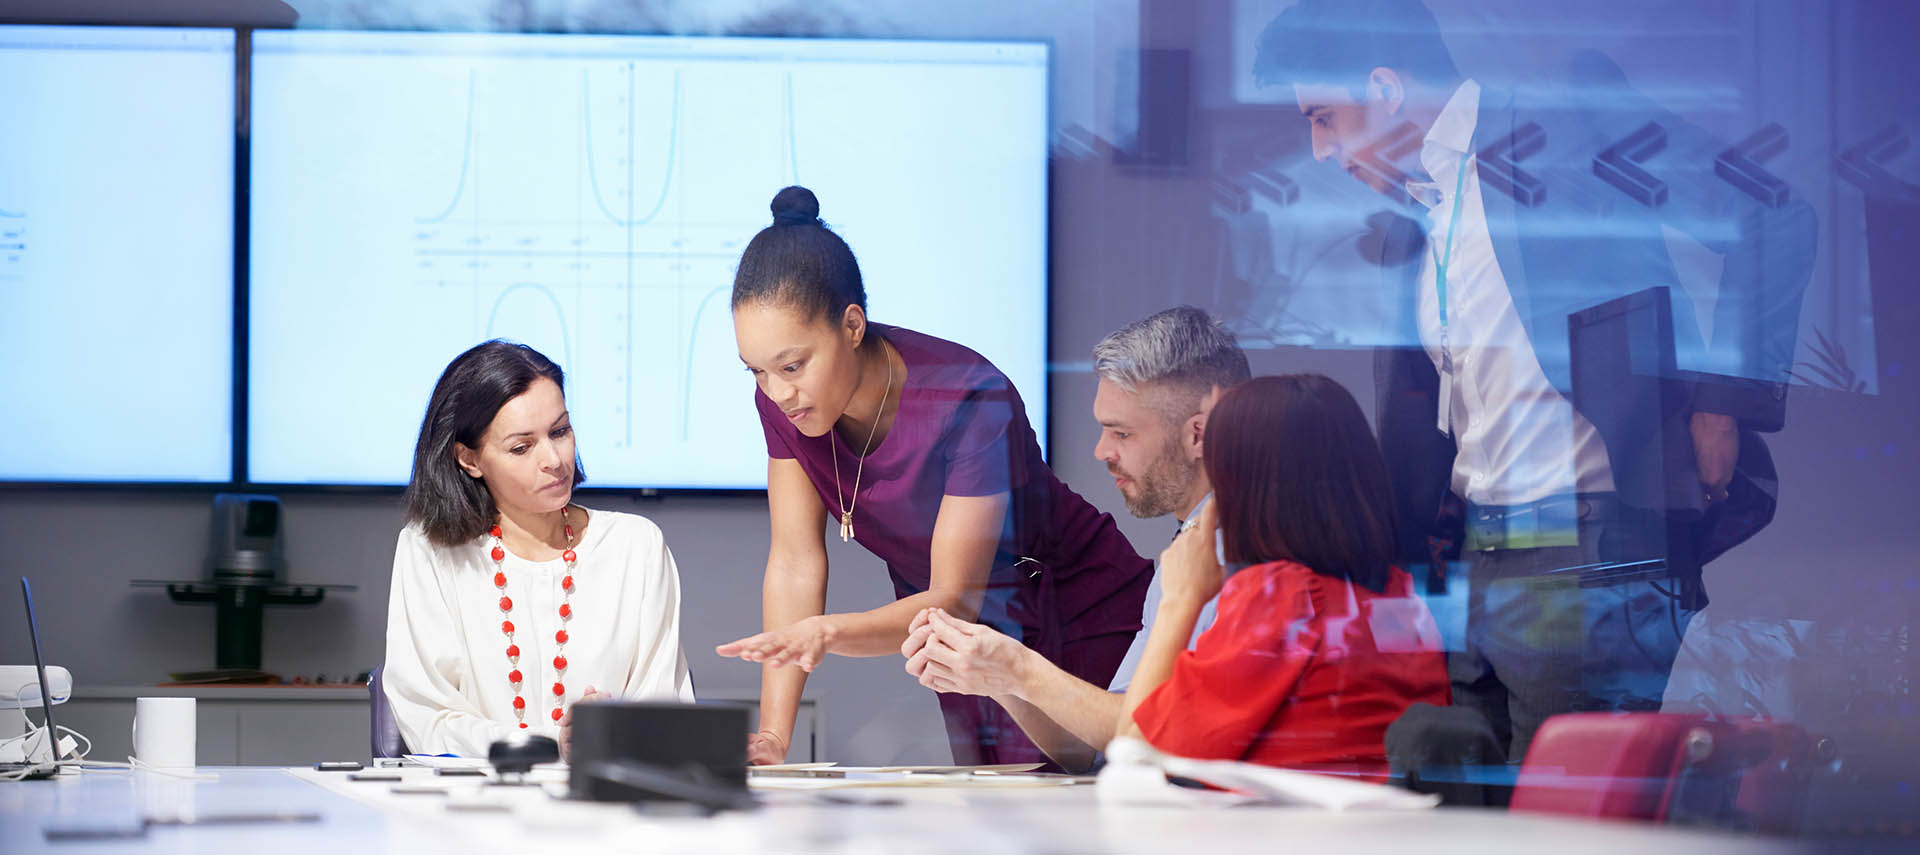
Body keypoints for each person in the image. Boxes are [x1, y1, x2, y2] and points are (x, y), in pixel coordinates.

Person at [1251, 0, 1815, 760]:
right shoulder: (1413, 224)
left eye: (1324, 118)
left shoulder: (1566, 125)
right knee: (1456, 803)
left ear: (1384, 88)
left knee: (1555, 809)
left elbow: (1773, 214)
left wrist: (1720, 404)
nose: (1320, 150)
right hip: (1472, 562)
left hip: (1586, 554)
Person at [716, 186, 1153, 766]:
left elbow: (955, 596)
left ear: (852, 325)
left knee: (1108, 791)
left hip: (1072, 605)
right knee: (999, 807)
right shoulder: (783, 402)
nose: (777, 391)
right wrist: (774, 734)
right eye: (756, 371)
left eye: (792, 366)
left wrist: (826, 632)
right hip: (954, 637)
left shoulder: (966, 396)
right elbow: (795, 562)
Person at [900, 306, 1250, 770]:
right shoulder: (1187, 552)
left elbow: (1144, 739)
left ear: (1197, 434)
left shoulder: (1241, 558)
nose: (1102, 451)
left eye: (1122, 433)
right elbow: (1099, 748)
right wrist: (1000, 677)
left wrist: (1020, 668)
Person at [1114, 374, 1448, 773]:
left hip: (1291, 814)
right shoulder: (1400, 595)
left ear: (1245, 491)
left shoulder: (1282, 599)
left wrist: (1179, 601)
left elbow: (1134, 751)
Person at [383, 340, 693, 757]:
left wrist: (612, 731)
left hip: (606, 792)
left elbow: (664, 710)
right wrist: (551, 743)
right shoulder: (429, 550)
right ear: (469, 460)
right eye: (521, 447)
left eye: (560, 431)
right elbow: (429, 720)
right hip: (473, 795)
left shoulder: (635, 547)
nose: (554, 459)